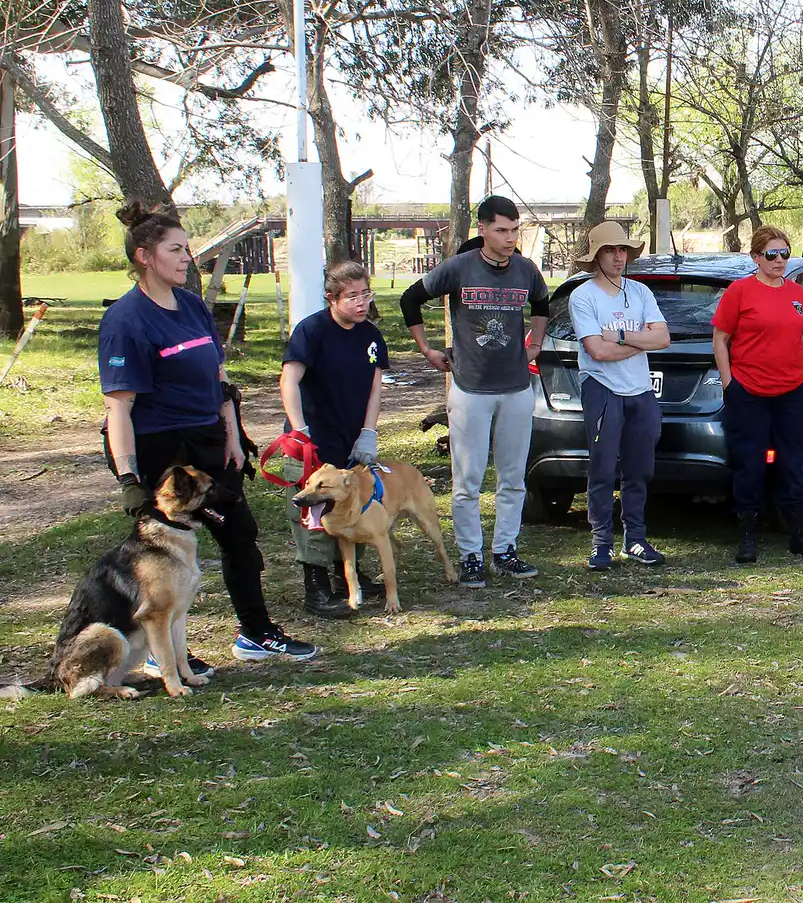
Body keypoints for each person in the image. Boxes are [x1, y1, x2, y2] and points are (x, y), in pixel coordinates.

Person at [99, 200, 316, 664]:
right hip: (159, 447)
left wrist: (233, 435)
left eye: (187, 250)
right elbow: (119, 411)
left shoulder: (193, 306)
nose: (186, 258)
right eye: (176, 250)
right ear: (144, 255)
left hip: (208, 439)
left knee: (239, 534)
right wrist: (129, 481)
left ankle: (255, 632)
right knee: (165, 555)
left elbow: (218, 380)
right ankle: (164, 653)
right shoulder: (125, 320)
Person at [400, 195, 550, 588]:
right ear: (482, 229)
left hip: (517, 388)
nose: (509, 237)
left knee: (513, 477)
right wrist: (427, 350)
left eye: (515, 230)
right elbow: (410, 299)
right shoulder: (460, 267)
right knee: (467, 479)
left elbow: (542, 301)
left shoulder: (525, 269)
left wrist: (534, 343)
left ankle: (505, 551)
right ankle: (470, 556)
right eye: (501, 230)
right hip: (470, 389)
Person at [712, 225, 803, 564]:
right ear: (756, 257)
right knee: (750, 464)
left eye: (784, 253)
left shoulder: (794, 293)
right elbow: (720, 339)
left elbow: (801, 337)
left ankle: (799, 535)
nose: (779, 260)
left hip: (791, 392)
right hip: (749, 393)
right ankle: (747, 536)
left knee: (792, 462)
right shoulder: (740, 292)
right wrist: (730, 384)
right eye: (771, 254)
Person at [279, 260, 390, 618]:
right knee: (314, 510)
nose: (361, 303)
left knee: (353, 503)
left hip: (351, 438)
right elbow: (289, 380)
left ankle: (350, 577)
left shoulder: (370, 335)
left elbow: (374, 387)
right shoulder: (311, 331)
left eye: (365, 294)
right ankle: (317, 586)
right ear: (331, 297)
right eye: (352, 297)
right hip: (313, 439)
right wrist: (300, 429)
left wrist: (369, 432)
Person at [568, 221, 670, 572]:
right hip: (603, 389)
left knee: (639, 468)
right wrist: (638, 341)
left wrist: (622, 335)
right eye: (610, 250)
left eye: (622, 250)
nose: (618, 257)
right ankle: (601, 544)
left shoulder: (640, 293)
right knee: (602, 467)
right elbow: (596, 350)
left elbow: (663, 339)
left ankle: (636, 540)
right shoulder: (583, 296)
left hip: (640, 391)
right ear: (596, 256)